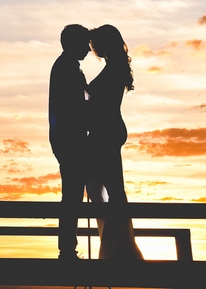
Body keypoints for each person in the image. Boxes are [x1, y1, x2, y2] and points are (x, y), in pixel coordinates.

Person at [86, 24, 143, 260]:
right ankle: (114, 246)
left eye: (96, 44)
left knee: (112, 192)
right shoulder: (115, 65)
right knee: (100, 191)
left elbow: (102, 100)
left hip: (105, 132)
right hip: (105, 130)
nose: (93, 49)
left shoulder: (115, 67)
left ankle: (115, 249)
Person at [49, 24, 94, 260]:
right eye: (84, 44)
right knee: (72, 193)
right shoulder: (66, 68)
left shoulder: (67, 66)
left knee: (74, 192)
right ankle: (67, 249)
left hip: (68, 138)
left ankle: (68, 247)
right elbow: (72, 106)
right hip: (70, 139)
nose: (88, 49)